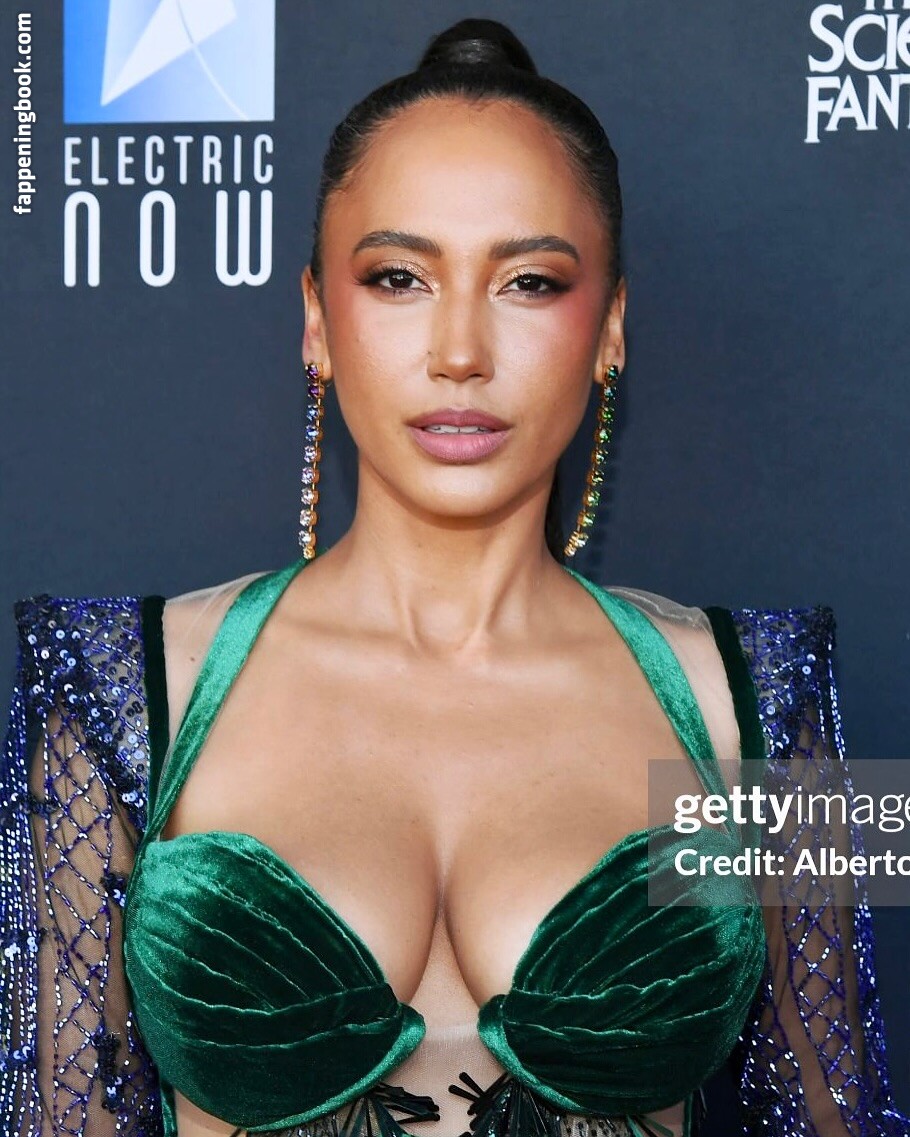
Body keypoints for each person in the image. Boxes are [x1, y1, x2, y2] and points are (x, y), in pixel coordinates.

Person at [1, 17, 907, 1137]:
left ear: (612, 327)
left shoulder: (761, 687)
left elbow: (840, 1108)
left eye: (529, 281)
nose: (461, 352)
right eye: (398, 277)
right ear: (315, 321)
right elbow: (58, 1113)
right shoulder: (118, 686)